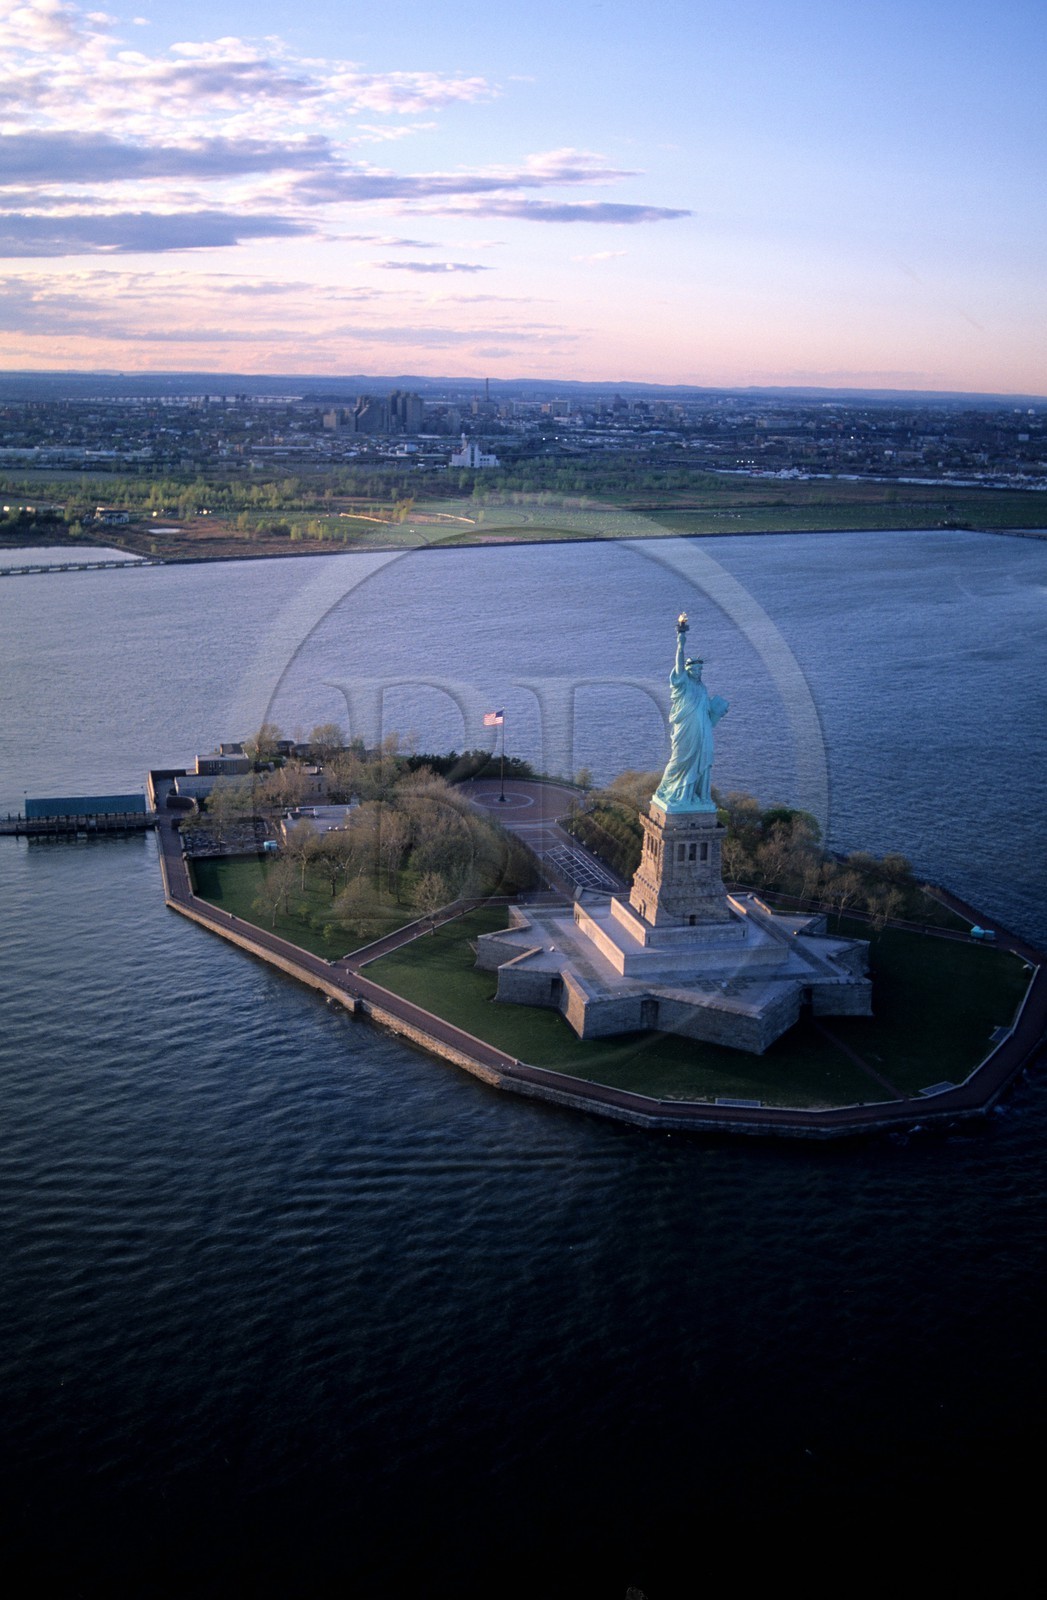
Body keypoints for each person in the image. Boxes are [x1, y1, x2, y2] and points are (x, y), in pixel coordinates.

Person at [652, 615, 728, 812]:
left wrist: (719, 712)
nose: (699, 670)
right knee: (679, 760)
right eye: (695, 668)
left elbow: (708, 715)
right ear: (688, 670)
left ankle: (694, 796)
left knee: (702, 759)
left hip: (702, 731)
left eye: (700, 668)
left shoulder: (702, 688)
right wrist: (680, 643)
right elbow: (678, 664)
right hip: (685, 730)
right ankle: (667, 790)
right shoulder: (682, 684)